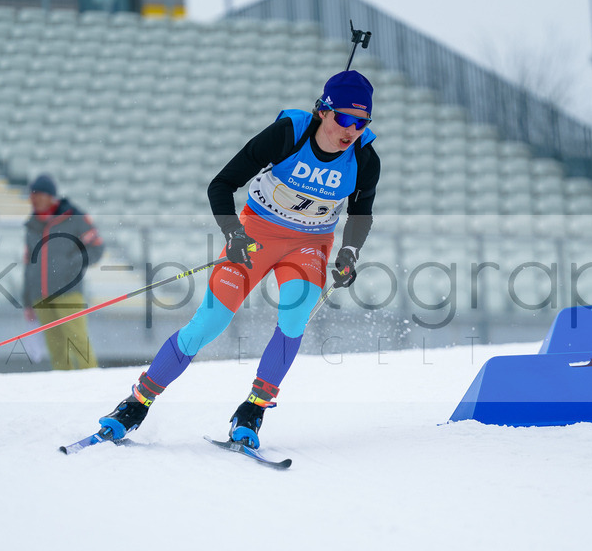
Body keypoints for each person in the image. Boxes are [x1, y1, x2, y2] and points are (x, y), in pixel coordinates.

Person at [96, 70, 380, 449]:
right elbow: (221, 184)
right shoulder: (287, 135)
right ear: (323, 111)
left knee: (295, 318)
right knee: (209, 323)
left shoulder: (364, 158)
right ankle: (136, 403)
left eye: (361, 122)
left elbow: (362, 212)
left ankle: (253, 411)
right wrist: (234, 233)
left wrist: (349, 252)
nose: (352, 130)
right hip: (256, 234)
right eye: (344, 118)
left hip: (308, 244)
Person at [22, 173, 105, 370]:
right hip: (40, 297)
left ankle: (93, 384)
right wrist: (27, 301)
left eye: (38, 194)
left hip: (68, 292)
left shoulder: (73, 217)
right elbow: (28, 263)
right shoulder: (32, 225)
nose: (34, 199)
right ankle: (64, 391)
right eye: (32, 195)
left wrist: (72, 264)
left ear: (51, 196)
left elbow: (97, 247)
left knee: (78, 344)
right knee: (57, 350)